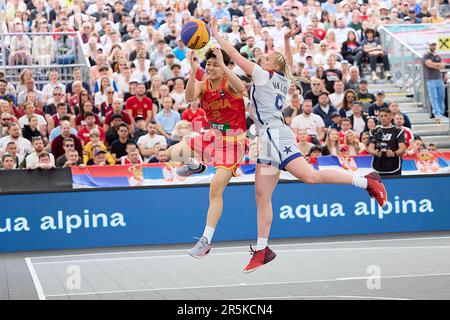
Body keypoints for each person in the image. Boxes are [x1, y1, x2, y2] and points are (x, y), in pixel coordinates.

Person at [210, 19, 387, 273]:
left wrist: (217, 35)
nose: (262, 58)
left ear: (273, 66)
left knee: (311, 177)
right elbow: (289, 62)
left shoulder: (263, 75)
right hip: (269, 138)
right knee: (261, 195)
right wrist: (285, 41)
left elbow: (235, 54)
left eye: (267, 57)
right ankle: (262, 249)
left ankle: (366, 180)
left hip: (276, 135)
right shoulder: (281, 77)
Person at [160, 46, 247, 259]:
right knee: (170, 153)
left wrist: (223, 66)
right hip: (212, 137)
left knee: (215, 188)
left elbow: (241, 87)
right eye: (208, 64)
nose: (210, 68)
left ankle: (205, 241)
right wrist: (192, 68)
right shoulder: (202, 83)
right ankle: (195, 166)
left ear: (226, 66)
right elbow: (190, 97)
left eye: (215, 64)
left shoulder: (230, 83)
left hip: (233, 143)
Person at [367, 108, 406, 176]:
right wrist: (375, 153)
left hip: (394, 164)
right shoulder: (374, 131)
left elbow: (402, 148)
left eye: (386, 115)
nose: (383, 118)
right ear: (378, 117)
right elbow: (370, 148)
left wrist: (394, 154)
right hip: (378, 164)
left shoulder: (398, 131)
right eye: (381, 116)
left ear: (391, 117)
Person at [423, 39, 447, 120]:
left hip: (439, 78)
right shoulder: (426, 55)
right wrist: (438, 65)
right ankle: (437, 113)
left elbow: (443, 65)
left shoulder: (437, 56)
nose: (433, 46)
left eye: (434, 45)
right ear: (429, 46)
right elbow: (430, 64)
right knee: (434, 97)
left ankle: (441, 113)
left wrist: (436, 65)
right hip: (430, 79)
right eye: (432, 45)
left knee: (441, 97)